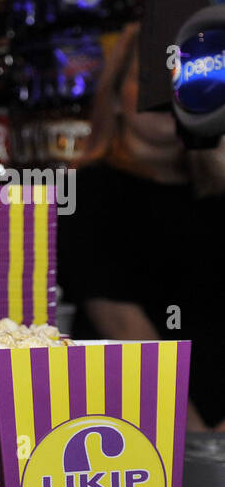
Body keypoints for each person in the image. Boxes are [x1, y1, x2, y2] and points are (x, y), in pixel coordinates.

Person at [61, 22, 225, 431]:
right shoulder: (84, 190)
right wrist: (196, 439)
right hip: (138, 430)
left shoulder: (215, 191)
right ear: (116, 97)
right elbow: (121, 325)